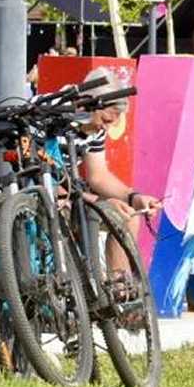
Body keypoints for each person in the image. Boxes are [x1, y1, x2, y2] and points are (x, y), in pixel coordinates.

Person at [76, 68, 161, 273]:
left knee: (129, 215)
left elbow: (98, 176)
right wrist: (101, 202)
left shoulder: (93, 128)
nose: (105, 129)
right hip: (49, 193)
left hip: (72, 191)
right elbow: (52, 186)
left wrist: (133, 197)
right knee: (112, 212)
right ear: (87, 105)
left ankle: (119, 290)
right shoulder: (60, 118)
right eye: (105, 120)